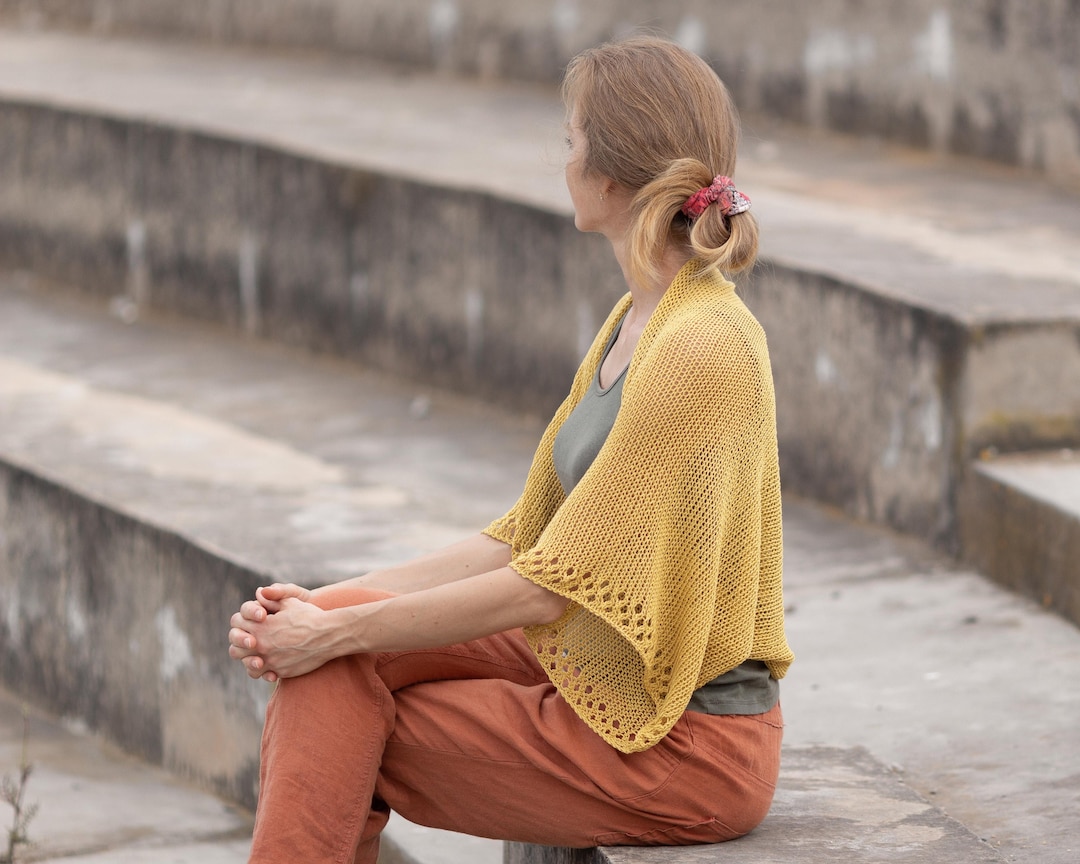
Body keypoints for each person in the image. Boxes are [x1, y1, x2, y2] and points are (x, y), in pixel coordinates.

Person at [228, 35, 793, 864]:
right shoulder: (637, 320)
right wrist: (325, 604)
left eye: (570, 141)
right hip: (614, 668)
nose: (561, 160)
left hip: (683, 744)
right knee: (332, 654)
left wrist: (334, 635)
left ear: (609, 175)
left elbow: (540, 590)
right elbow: (521, 533)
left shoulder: (703, 347)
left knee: (334, 691)